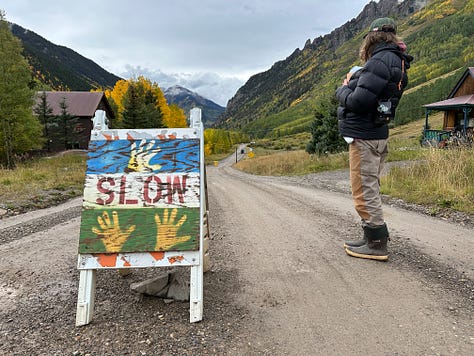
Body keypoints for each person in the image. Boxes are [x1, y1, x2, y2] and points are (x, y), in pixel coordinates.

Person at [335, 17, 413, 261]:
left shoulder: (379, 61)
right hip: (378, 133)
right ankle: (371, 235)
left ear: (370, 39)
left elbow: (358, 101)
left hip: (365, 136)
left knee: (363, 189)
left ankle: (377, 243)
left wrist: (343, 89)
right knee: (370, 185)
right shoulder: (397, 62)